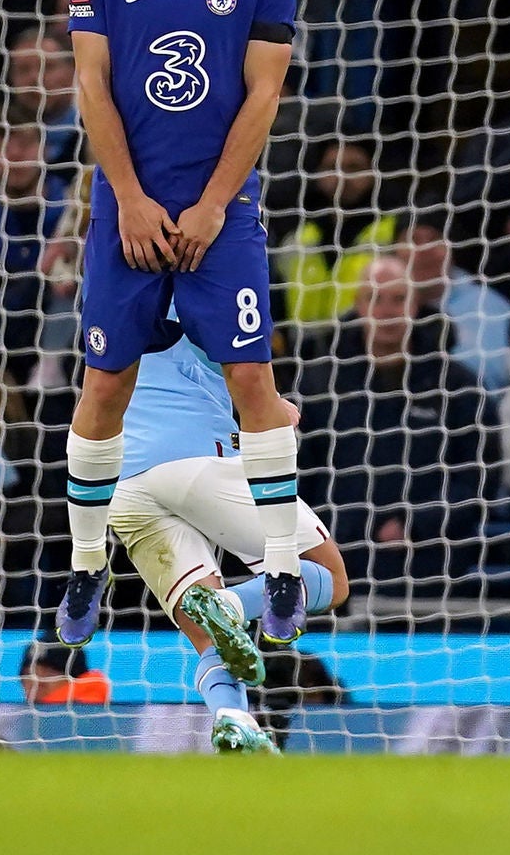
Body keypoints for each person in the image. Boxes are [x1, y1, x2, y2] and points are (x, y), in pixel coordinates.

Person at [53, 0, 309, 655]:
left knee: (252, 375)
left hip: (222, 211)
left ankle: (276, 565)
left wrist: (210, 206)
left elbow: (263, 96)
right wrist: (128, 198)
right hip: (127, 208)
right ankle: (87, 562)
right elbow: (91, 82)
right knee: (104, 388)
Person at [102, 311, 351, 755]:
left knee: (209, 634)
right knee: (328, 576)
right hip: (194, 458)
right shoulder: (205, 274)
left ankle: (233, 720)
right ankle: (230, 604)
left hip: (123, 482)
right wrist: (275, 409)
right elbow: (247, 370)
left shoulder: (109, 290)